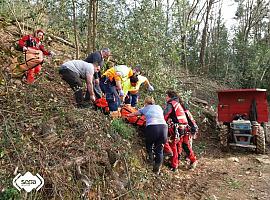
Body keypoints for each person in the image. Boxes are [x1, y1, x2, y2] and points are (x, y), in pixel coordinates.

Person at [127, 96, 168, 174]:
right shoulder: (159, 107)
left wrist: (128, 115)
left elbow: (135, 114)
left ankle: (150, 159)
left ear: (146, 103)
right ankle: (157, 169)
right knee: (159, 150)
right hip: (164, 128)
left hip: (153, 127)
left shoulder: (145, 108)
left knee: (149, 144)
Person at [163, 90, 197, 171]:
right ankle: (193, 160)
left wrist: (160, 122)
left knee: (174, 145)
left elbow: (165, 115)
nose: (165, 98)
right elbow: (189, 116)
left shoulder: (171, 104)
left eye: (166, 96)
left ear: (169, 96)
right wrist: (193, 128)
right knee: (184, 145)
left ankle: (174, 165)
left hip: (177, 128)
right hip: (186, 128)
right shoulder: (180, 104)